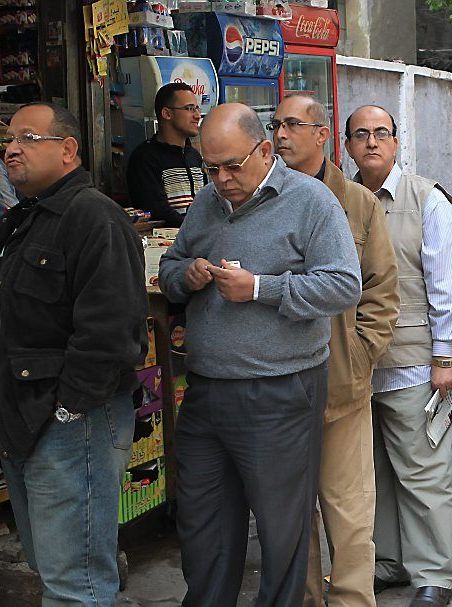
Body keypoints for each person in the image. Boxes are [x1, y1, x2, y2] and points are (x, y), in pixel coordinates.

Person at [158, 103, 361, 607]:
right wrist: (188, 275)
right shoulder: (207, 202)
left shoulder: (311, 202)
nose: (221, 179)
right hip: (206, 391)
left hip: (280, 391)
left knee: (280, 532)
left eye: (232, 166)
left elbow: (343, 286)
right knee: (203, 527)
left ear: (266, 151)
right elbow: (170, 267)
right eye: (211, 167)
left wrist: (260, 288)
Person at [0, 102, 147, 605]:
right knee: (53, 569)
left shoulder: (93, 217)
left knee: (75, 583)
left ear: (67, 150)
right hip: (27, 417)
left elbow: (111, 331)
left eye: (27, 138)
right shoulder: (25, 219)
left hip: (71, 423)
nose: (11, 149)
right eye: (8, 140)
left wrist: (68, 409)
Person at [271, 94, 400, 607]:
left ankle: (352, 600)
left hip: (342, 383)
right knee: (291, 509)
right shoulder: (261, 195)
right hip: (277, 380)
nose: (280, 135)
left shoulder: (356, 200)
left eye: (292, 125)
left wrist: (361, 352)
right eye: (275, 124)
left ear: (322, 135)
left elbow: (382, 290)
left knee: (349, 509)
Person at [344, 105, 452, 607]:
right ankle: (389, 563)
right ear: (347, 145)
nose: (372, 142)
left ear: (396, 142)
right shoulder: (337, 199)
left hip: (414, 360)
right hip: (354, 363)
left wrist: (445, 357)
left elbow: (447, 284)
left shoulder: (426, 200)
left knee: (423, 471)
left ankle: (434, 574)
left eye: (381, 133)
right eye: (361, 135)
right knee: (370, 472)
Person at [126, 82, 206, 227]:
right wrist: (194, 231)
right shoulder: (145, 157)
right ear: (167, 113)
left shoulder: (194, 156)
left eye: (197, 108)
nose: (197, 115)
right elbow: (156, 209)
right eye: (189, 108)